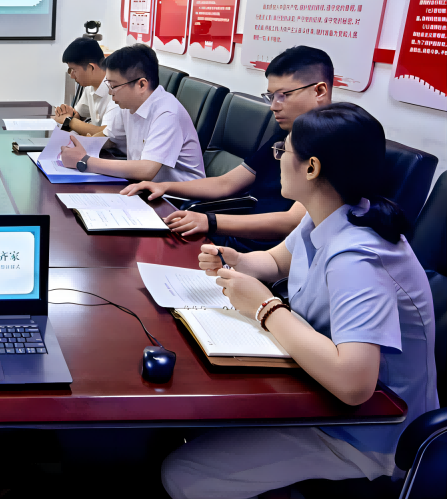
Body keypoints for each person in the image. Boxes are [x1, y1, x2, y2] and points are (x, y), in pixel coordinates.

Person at [161, 103, 438, 499]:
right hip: (316, 391)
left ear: (311, 168)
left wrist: (266, 308)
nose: (277, 158)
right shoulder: (329, 214)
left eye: (283, 150)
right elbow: (277, 260)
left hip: (367, 431)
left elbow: (354, 384)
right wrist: (237, 260)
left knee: (183, 473)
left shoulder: (358, 258)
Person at [121, 45, 334, 250]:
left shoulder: (335, 144)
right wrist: (164, 187)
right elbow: (226, 183)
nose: (273, 106)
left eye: (283, 96)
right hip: (238, 239)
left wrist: (211, 222)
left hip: (268, 253)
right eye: (271, 96)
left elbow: (292, 222)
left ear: (320, 91)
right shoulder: (287, 133)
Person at [59, 44, 204, 182]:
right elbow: (110, 139)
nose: (110, 92)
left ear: (141, 84)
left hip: (175, 195)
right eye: (108, 85)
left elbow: (147, 169)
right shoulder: (129, 104)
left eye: (114, 86)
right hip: (142, 185)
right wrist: (78, 144)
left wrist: (84, 161)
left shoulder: (167, 113)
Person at [52, 37, 122, 146]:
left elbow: (106, 135)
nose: (71, 76)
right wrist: (68, 115)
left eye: (74, 70)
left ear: (91, 68)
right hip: (98, 148)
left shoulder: (116, 90)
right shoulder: (90, 87)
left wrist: (69, 121)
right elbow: (78, 115)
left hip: (116, 152)